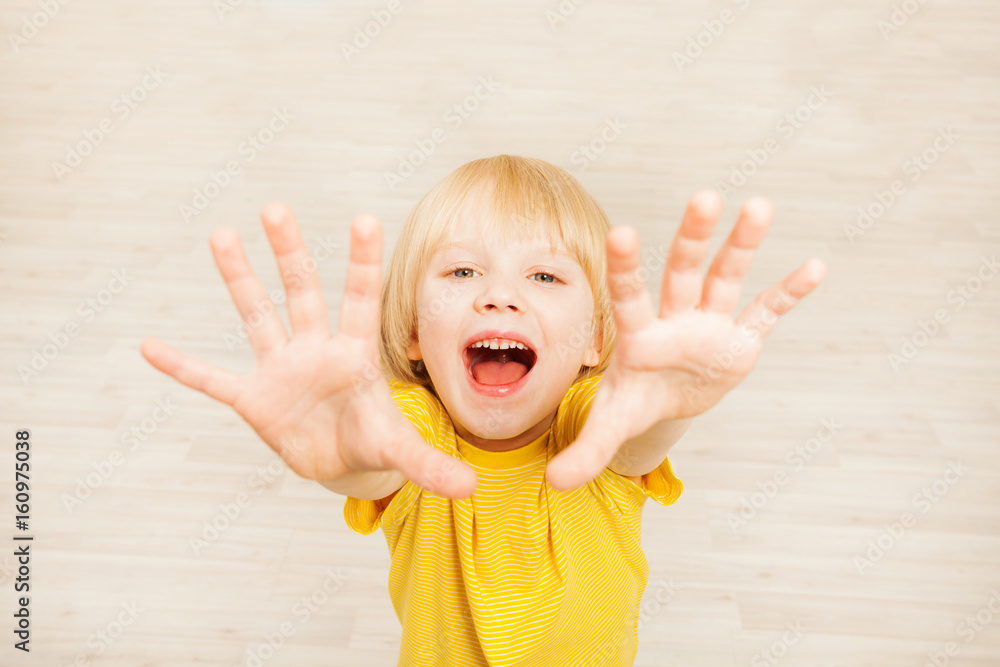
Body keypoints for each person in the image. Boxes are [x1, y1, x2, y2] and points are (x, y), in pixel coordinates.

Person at [141, 154, 825, 666]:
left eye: (545, 276)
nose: (499, 295)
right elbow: (376, 461)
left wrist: (673, 403)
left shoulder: (595, 416)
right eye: (463, 272)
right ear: (412, 330)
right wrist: (341, 453)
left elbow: (633, 438)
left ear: (594, 339)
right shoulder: (416, 432)